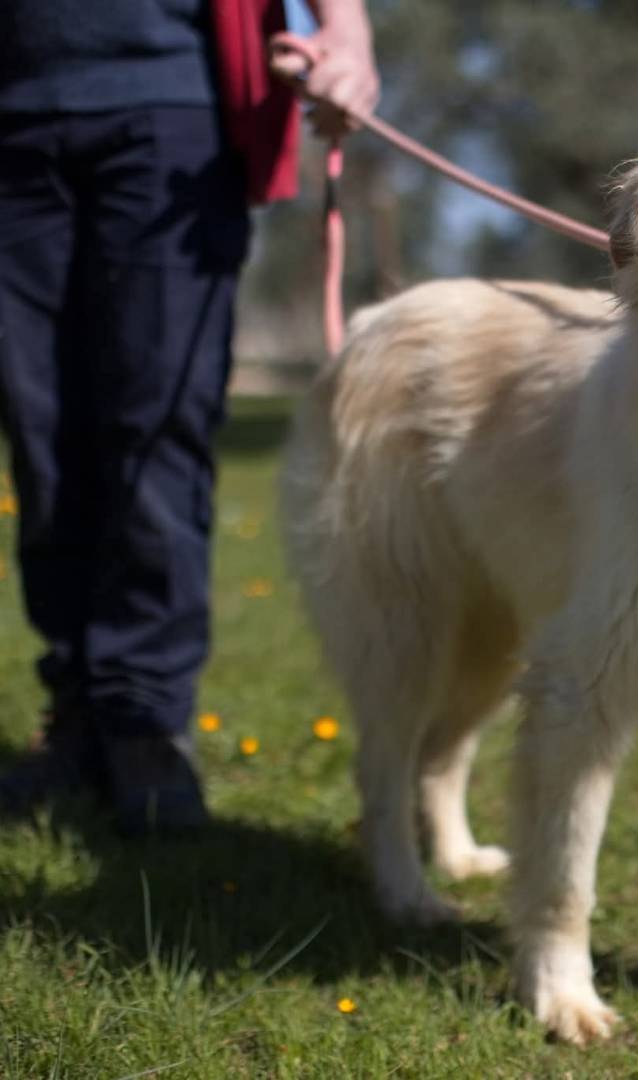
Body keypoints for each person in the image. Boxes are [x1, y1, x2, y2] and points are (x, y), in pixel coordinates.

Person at [0, 0, 378, 832]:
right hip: (14, 116)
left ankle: (144, 722)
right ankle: (76, 716)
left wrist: (345, 37)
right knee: (40, 434)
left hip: (173, 109)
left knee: (155, 427)